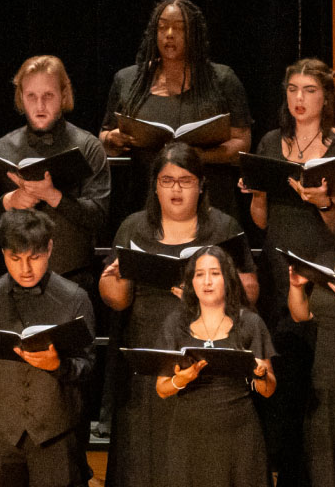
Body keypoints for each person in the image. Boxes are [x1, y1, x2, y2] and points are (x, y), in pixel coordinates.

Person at [99, 142, 257, 487]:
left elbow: (251, 293)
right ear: (154, 185)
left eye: (185, 181)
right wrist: (111, 280)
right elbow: (118, 301)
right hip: (149, 350)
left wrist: (207, 293)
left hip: (206, 352)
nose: (175, 189)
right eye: (167, 180)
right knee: (147, 455)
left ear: (201, 185)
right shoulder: (134, 227)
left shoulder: (223, 227)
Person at [240, 57, 335, 486]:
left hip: (322, 274)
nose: (299, 99)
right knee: (286, 388)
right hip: (279, 273)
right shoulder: (269, 142)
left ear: (326, 97)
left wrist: (321, 202)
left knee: (323, 386)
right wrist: (258, 193)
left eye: (310, 91)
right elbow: (261, 221)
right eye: (293, 89)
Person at [0, 209, 96, 487]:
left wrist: (58, 366)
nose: (25, 269)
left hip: (55, 433)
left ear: (50, 248)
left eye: (35, 257)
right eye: (15, 258)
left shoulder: (75, 298)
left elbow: (89, 367)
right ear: (4, 253)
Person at [100, 0, 251, 216]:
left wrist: (201, 156)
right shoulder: (128, 79)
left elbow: (242, 143)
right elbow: (104, 137)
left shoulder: (221, 79)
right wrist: (113, 140)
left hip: (209, 200)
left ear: (194, 34)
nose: (169, 34)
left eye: (179, 28)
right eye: (162, 27)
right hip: (146, 200)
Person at [0, 55, 110, 293]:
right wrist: (10, 201)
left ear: (63, 95)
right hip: (12, 284)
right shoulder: (2, 148)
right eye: (31, 96)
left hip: (74, 281)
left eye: (48, 96)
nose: (40, 106)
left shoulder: (88, 146)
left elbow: (99, 218)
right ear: (21, 98)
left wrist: (53, 196)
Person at [155, 247, 275, 486]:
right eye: (199, 274)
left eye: (215, 273)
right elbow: (161, 389)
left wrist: (260, 376)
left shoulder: (250, 323)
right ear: (191, 281)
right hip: (189, 436)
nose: (207, 281)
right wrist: (182, 379)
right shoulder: (175, 324)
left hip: (239, 436)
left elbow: (268, 389)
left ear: (227, 279)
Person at [287, 253, 335, 487]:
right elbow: (301, 315)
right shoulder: (330, 258)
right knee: (325, 468)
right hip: (325, 379)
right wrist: (297, 287)